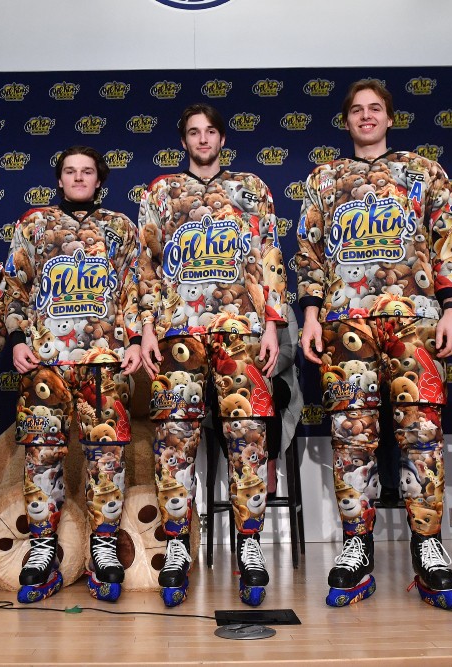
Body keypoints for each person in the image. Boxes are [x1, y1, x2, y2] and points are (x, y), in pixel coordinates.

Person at [296, 79, 452, 608]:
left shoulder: (424, 171)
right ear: (346, 120)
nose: (366, 116)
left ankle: (428, 544)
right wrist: (310, 317)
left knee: (421, 433)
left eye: (375, 109)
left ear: (389, 117)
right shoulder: (323, 178)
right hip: (344, 324)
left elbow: (449, 242)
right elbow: (308, 253)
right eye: (357, 110)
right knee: (352, 436)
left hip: (415, 320)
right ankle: (356, 545)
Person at [136, 103, 287, 607]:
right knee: (174, 441)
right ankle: (177, 544)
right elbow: (146, 265)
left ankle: (250, 545)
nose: (203, 139)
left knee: (248, 438)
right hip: (178, 333)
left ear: (222, 138)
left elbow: (270, 257)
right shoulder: (160, 192)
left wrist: (272, 325)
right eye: (194, 132)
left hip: (241, 332)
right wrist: (145, 328)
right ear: (184, 141)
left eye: (210, 132)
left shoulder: (252, 188)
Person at [3, 145, 142, 603]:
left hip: (104, 362)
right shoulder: (34, 224)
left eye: (86, 171)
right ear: (59, 179)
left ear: (98, 180)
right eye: (70, 171)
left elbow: (134, 289)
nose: (78, 178)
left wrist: (135, 340)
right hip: (46, 362)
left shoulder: (120, 226)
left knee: (107, 456)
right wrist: (17, 339)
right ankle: (43, 546)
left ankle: (103, 544)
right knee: (41, 455)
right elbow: (13, 288)